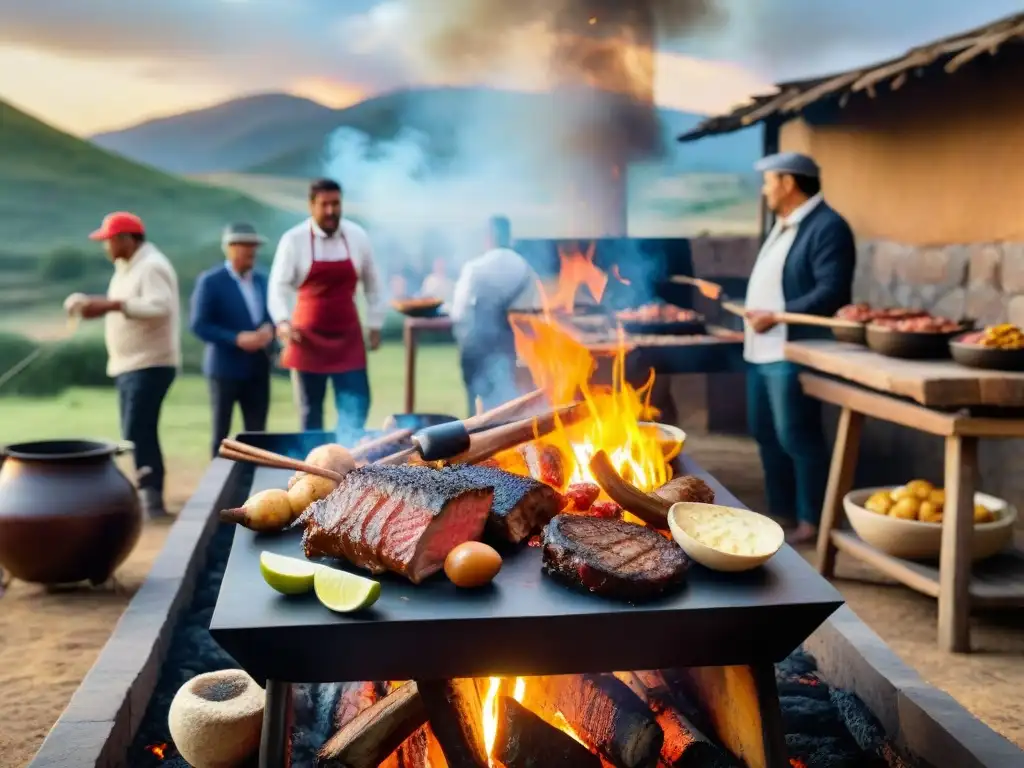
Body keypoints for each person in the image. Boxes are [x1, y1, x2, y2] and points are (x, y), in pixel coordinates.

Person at [742, 152, 856, 545]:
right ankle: (783, 512)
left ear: (788, 183)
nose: (765, 189)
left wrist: (778, 314)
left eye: (769, 181)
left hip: (791, 350)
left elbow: (831, 292)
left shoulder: (828, 227)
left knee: (797, 435)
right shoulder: (785, 225)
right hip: (761, 349)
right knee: (765, 433)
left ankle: (812, 519)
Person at [63, 212, 180, 519]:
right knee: (138, 430)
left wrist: (110, 304)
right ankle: (148, 495)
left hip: (150, 363)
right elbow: (122, 306)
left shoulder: (152, 266)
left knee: (137, 430)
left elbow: (159, 306)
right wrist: (92, 309)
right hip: (130, 364)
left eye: (109, 240)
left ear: (127, 239)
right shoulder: (125, 267)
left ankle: (150, 498)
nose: (105, 247)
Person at [268, 178, 384, 436]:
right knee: (310, 412)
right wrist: (283, 322)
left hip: (348, 338)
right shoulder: (294, 240)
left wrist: (375, 323)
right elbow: (277, 287)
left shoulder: (357, 236)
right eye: (325, 205)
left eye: (336, 204)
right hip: (306, 339)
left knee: (358, 402)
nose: (331, 211)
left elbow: (373, 283)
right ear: (311, 206)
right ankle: (314, 467)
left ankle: (348, 455)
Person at [189, 223, 275, 457]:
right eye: (245, 245)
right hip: (224, 369)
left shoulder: (263, 280)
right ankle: (219, 489)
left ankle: (256, 485)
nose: (251, 251)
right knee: (221, 434)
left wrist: (269, 328)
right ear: (229, 247)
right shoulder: (210, 281)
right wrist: (236, 338)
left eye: (254, 246)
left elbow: (273, 314)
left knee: (258, 435)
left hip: (258, 367)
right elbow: (199, 324)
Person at [450, 215, 539, 415]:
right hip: (506, 347)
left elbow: (458, 312)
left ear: (488, 237)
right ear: (509, 237)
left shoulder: (474, 268)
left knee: (475, 407)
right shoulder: (524, 268)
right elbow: (530, 311)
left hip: (474, 347)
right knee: (504, 402)